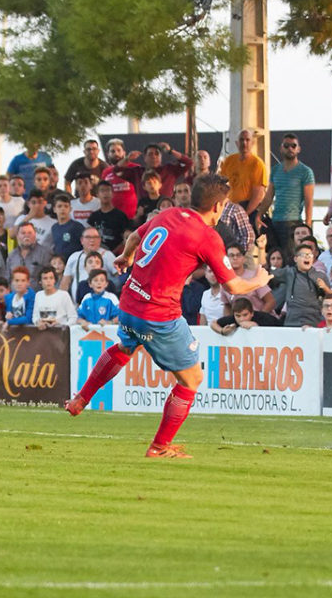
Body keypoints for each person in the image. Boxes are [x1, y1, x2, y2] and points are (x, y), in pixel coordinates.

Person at [64, 175, 272, 458]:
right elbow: (234, 286)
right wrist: (259, 279)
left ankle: (81, 398)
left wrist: (126, 256)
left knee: (125, 347)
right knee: (192, 380)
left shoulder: (170, 214)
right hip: (158, 315)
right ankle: (159, 447)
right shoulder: (208, 237)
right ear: (218, 205)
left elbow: (135, 236)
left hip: (129, 302)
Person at [264, 133, 315, 263]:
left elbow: (309, 200)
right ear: (281, 148)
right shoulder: (275, 170)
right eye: (286, 146)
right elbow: (269, 196)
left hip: (294, 222)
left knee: (291, 259)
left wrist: (308, 224)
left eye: (293, 146)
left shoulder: (305, 171)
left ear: (298, 149)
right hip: (275, 222)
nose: (290, 149)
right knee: (275, 258)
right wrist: (259, 215)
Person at [274, 242, 332, 327]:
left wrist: (325, 288)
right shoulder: (289, 273)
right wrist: (261, 249)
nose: (307, 257)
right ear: (296, 259)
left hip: (314, 324)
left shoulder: (320, 276)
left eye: (310, 255)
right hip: (291, 324)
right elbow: (266, 272)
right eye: (303, 255)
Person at [219, 129, 268, 223]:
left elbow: (258, 195)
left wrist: (245, 214)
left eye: (247, 140)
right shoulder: (229, 161)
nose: (244, 143)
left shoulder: (257, 164)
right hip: (230, 208)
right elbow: (221, 186)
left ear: (252, 143)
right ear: (237, 143)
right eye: (241, 140)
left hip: (249, 209)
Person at [5, 222, 52, 290]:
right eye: (23, 233)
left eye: (30, 233)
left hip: (37, 297)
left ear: (35, 235)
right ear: (17, 236)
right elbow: (8, 279)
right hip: (16, 297)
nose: (26, 235)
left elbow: (50, 278)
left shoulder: (45, 253)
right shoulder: (12, 255)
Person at [87, 180, 131, 254]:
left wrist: (112, 253)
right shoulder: (93, 217)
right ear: (97, 194)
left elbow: (125, 239)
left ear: (112, 194)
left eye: (108, 190)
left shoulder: (120, 216)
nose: (105, 193)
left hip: (116, 255)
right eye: (102, 191)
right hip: (96, 256)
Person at [100, 138, 140, 220]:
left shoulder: (135, 168)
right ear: (108, 154)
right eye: (112, 151)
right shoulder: (106, 172)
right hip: (112, 217)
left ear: (124, 153)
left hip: (133, 217)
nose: (116, 153)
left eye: (119, 150)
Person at [210, 298, 278, 336]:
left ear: (252, 313)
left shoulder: (264, 318)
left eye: (245, 315)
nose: (242, 319)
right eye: (238, 316)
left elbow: (280, 328)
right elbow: (213, 323)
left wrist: (257, 326)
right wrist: (222, 331)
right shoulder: (232, 319)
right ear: (234, 314)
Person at [50, 193, 86, 259]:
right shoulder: (54, 228)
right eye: (59, 206)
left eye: (66, 206)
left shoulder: (77, 227)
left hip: (74, 262)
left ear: (70, 209)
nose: (63, 209)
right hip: (59, 265)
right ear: (54, 209)